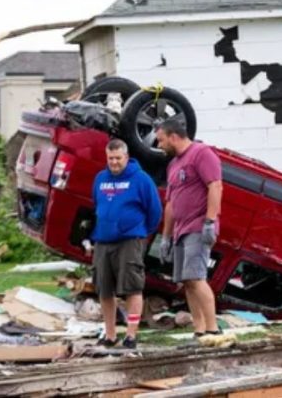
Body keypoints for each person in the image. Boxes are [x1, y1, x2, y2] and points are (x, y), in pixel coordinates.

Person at [86, 139, 162, 349]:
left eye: (118, 158)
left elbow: (154, 211)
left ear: (126, 157)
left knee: (132, 287)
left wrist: (140, 232)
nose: (114, 163)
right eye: (110, 158)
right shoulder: (101, 179)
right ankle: (110, 334)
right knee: (104, 289)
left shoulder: (141, 179)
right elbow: (96, 204)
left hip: (130, 240)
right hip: (103, 240)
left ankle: (131, 335)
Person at [155, 118, 222, 338]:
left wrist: (210, 221)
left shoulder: (201, 153)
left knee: (197, 277)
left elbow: (215, 185)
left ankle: (213, 329)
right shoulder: (173, 165)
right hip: (180, 231)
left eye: (161, 140)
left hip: (198, 226)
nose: (159, 146)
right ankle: (199, 329)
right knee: (187, 281)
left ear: (174, 136)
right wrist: (165, 237)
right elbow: (171, 203)